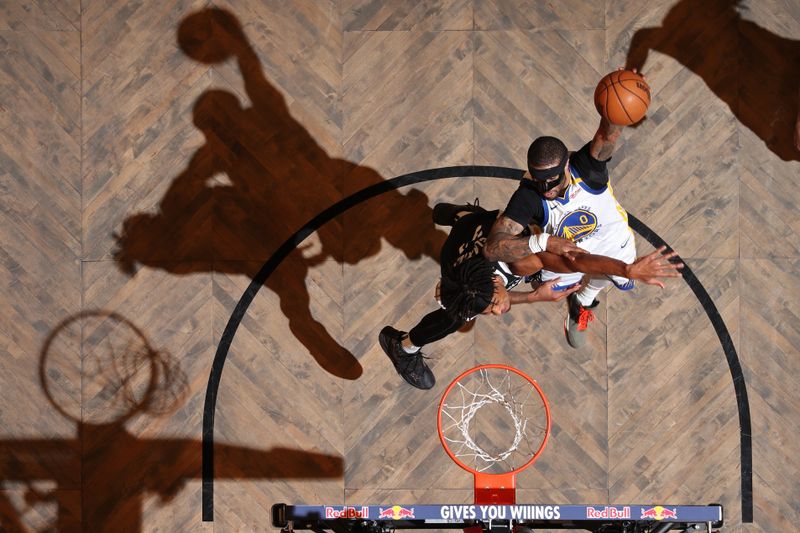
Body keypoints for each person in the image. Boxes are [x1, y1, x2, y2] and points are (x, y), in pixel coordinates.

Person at [380, 202, 682, 389]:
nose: (498, 312)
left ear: (495, 284)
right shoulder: (466, 284)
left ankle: (460, 215)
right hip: (471, 235)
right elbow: (490, 300)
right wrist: (533, 298)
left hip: (483, 237)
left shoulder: (521, 260)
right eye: (492, 310)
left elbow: (579, 261)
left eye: (494, 305)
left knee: (488, 235)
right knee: (454, 317)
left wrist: (627, 270)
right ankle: (401, 346)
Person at [484, 94, 648, 349]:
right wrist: (543, 241)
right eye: (539, 179)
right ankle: (575, 300)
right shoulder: (529, 195)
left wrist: (621, 96)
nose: (545, 187)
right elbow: (493, 248)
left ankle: (584, 299)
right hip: (566, 257)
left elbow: (608, 133)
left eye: (551, 179)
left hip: (611, 240)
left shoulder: (588, 168)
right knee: (548, 288)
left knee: (618, 278)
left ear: (567, 166)